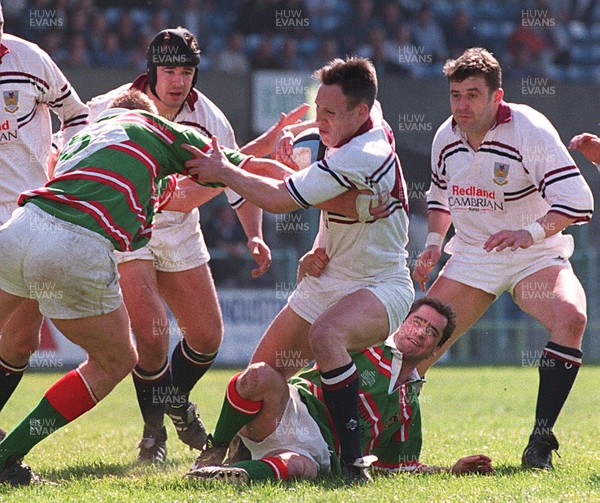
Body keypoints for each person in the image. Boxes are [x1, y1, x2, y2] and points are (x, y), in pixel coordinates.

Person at [0, 88, 261, 487]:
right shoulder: (156, 126)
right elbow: (237, 168)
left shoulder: (86, 136)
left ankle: (156, 426)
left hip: (20, 226)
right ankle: (6, 458)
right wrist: (302, 176)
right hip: (73, 244)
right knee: (116, 360)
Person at [184, 56, 414, 482]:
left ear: (360, 113)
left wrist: (224, 172)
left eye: (330, 113)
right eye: (318, 110)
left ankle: (351, 463)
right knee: (256, 379)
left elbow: (277, 199)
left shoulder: (364, 153)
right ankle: (223, 448)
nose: (321, 120)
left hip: (381, 285)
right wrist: (318, 245)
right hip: (327, 279)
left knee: (327, 335)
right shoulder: (365, 117)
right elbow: (338, 202)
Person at [87, 27, 307, 464]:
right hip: (129, 227)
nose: (178, 80)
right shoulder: (112, 107)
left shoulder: (209, 116)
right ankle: (154, 436)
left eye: (186, 71)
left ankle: (174, 403)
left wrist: (255, 235)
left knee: (207, 337)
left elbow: (236, 180)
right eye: (169, 70)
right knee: (151, 335)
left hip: (181, 228)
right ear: (151, 70)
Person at [412, 48, 594, 470]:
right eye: (456, 95)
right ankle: (385, 446)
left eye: (473, 94)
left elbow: (578, 201)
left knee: (572, 318)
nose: (462, 105)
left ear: (498, 96)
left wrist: (526, 233)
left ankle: (540, 445)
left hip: (535, 254)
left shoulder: (529, 128)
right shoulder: (445, 136)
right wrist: (435, 243)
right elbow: (439, 197)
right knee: (413, 349)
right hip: (473, 257)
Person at [185, 297, 494, 483]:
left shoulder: (409, 402)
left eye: (431, 332)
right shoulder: (366, 341)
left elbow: (399, 467)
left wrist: (450, 470)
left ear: (434, 350)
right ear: (401, 322)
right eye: (417, 321)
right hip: (289, 408)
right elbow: (325, 319)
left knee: (297, 466)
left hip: (317, 450)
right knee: (258, 376)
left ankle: (233, 474)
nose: (420, 333)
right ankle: (216, 448)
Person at [0, 1, 89, 439]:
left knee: (20, 342)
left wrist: (63, 162)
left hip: (27, 217)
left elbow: (77, 115)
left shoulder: (30, 59)